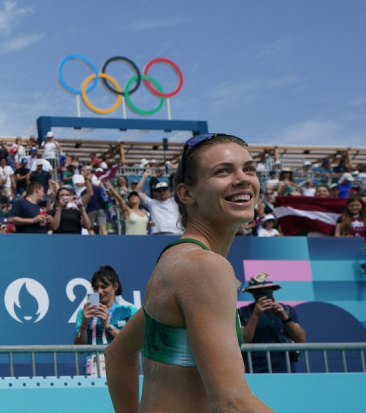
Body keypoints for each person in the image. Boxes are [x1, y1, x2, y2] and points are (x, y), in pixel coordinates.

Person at [105, 133, 273, 413]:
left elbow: (117, 354)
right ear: (186, 193)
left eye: (249, 169)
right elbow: (231, 402)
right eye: (223, 171)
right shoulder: (205, 267)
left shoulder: (175, 259)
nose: (243, 179)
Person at [74, 266, 138, 376]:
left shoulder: (129, 310)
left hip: (121, 369)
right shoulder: (84, 312)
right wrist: (84, 324)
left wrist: (107, 325)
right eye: (95, 288)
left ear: (115, 286)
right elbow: (79, 348)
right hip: (92, 373)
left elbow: (132, 342)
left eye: (104, 287)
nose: (99, 291)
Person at [239, 273, 306, 373]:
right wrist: (255, 315)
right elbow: (243, 340)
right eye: (257, 291)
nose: (262, 294)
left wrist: (284, 317)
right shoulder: (243, 312)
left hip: (285, 368)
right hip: (256, 369)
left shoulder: (287, 310)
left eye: (266, 291)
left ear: (272, 290)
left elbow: (300, 339)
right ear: (252, 293)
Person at [135, 169, 183, 235]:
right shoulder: (152, 203)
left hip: (176, 233)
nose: (162, 192)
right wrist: (145, 176)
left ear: (168, 191)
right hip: (158, 235)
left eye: (164, 190)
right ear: (155, 193)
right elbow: (137, 192)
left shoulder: (175, 201)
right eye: (159, 191)